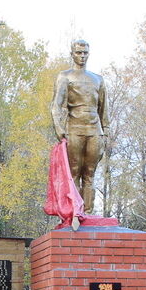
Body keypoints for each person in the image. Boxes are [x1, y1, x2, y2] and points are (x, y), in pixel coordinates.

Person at [50, 39, 107, 212]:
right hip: (74, 128)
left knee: (89, 174)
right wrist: (59, 129)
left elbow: (104, 109)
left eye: (85, 53)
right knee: (74, 171)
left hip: (94, 130)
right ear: (72, 54)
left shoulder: (97, 79)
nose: (82, 56)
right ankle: (75, 210)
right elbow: (56, 106)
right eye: (78, 53)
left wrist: (106, 132)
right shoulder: (65, 77)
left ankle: (88, 212)